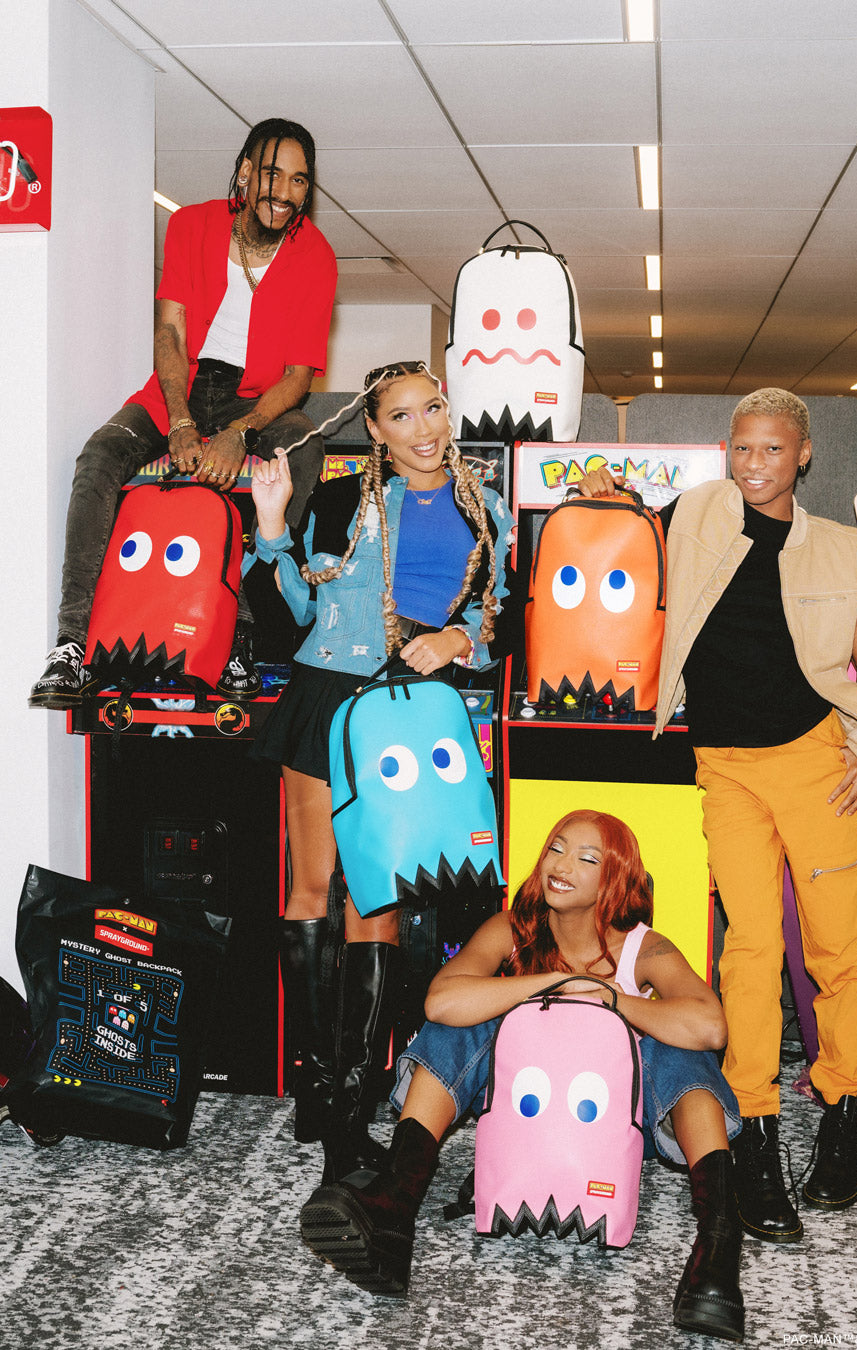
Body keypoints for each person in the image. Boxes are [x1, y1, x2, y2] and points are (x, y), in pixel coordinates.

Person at [579, 388, 857, 1244]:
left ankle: (840, 1108)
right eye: (743, 448)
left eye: (773, 450)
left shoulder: (835, 547)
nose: (755, 464)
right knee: (749, 948)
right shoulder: (700, 513)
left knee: (840, 945)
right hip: (724, 765)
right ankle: (755, 1126)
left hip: (814, 761)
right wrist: (603, 485)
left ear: (804, 454)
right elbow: (629, 513)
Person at [298, 809, 746, 1343]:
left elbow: (711, 1026)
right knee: (463, 1023)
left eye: (587, 859)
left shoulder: (643, 947)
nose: (563, 865)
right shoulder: (512, 928)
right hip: (521, 1108)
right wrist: (550, 983)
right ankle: (395, 1205)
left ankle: (718, 1242)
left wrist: (612, 999)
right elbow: (441, 1001)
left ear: (615, 880)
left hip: (611, 1125)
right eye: (556, 848)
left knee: (681, 1048)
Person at [246, 359, 513, 1185]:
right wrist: (271, 525)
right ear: (374, 429)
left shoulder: (487, 509)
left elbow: (497, 616)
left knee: (380, 900)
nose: (424, 428)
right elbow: (292, 612)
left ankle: (352, 1104)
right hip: (329, 696)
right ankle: (316, 1088)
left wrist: (457, 640)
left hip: (410, 714)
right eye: (402, 416)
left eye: (433, 408)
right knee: (313, 890)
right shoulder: (339, 501)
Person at [29, 117, 337, 709]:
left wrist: (239, 433)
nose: (284, 192)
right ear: (245, 173)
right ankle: (71, 645)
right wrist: (180, 421)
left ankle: (243, 637)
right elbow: (170, 331)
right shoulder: (191, 224)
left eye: (299, 181)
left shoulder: (317, 257)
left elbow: (298, 377)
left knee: (302, 449)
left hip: (257, 398)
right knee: (100, 454)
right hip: (183, 385)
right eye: (272, 174)